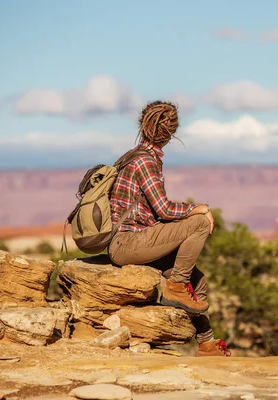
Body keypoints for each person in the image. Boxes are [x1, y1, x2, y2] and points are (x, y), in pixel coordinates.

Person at [107, 100, 230, 357]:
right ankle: (174, 288)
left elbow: (152, 213)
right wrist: (198, 209)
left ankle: (206, 344)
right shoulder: (146, 162)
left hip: (135, 239)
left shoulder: (134, 156)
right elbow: (163, 209)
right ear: (172, 132)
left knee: (196, 279)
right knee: (198, 223)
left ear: (142, 125)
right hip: (128, 243)